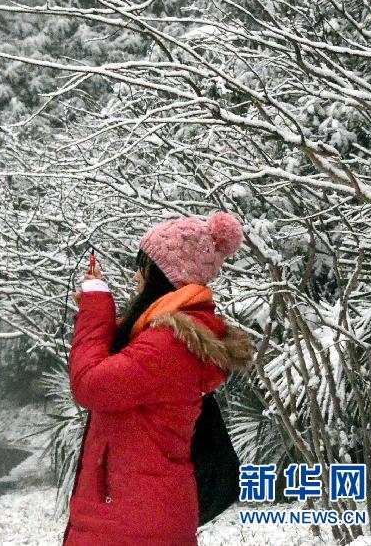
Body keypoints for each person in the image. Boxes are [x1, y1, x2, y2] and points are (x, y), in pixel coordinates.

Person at [62, 212, 255, 546]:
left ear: (162, 276)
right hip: (133, 517)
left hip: (133, 523)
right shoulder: (163, 339)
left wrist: (96, 308)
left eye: (143, 266)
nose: (137, 276)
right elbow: (124, 366)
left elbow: (91, 384)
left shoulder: (170, 344)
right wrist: (101, 317)